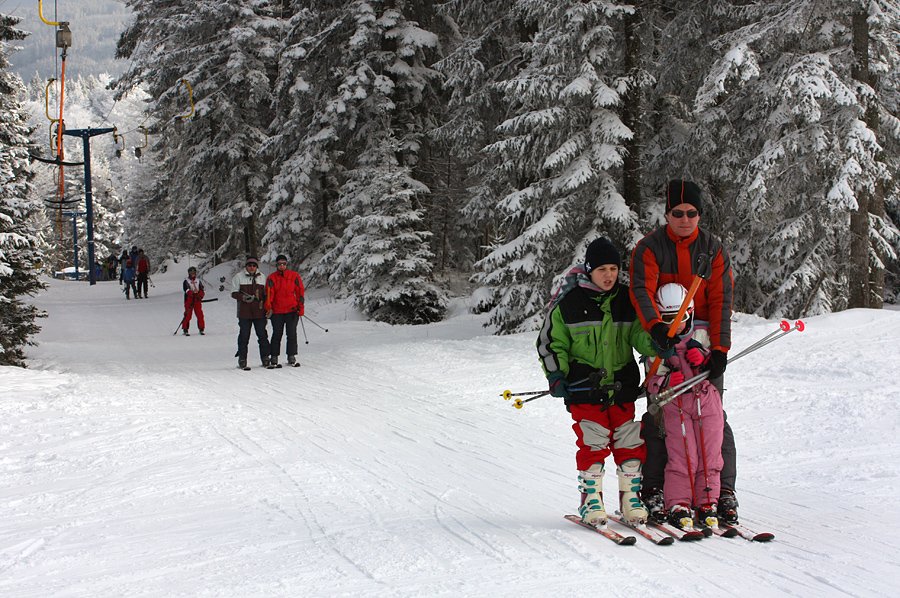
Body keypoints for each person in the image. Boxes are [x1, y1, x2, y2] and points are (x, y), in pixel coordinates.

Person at [629, 179, 737, 524]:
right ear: (667, 214)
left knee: (713, 418)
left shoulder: (713, 249)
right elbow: (641, 290)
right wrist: (655, 327)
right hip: (662, 337)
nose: (686, 219)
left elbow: (721, 300)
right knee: (662, 418)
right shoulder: (649, 248)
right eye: (678, 213)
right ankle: (656, 488)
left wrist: (719, 349)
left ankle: (722, 490)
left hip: (703, 343)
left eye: (692, 213)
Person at [537, 238, 658, 527]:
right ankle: (591, 499)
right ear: (589, 270)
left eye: (614, 268)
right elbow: (551, 344)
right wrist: (556, 376)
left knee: (629, 441)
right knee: (593, 443)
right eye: (602, 269)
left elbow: (639, 335)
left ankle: (630, 498)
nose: (609, 275)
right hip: (584, 389)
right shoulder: (569, 304)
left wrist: (656, 344)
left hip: (621, 387)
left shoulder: (627, 300)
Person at [645, 283, 724, 530]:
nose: (675, 324)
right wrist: (667, 380)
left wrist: (705, 357)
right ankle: (678, 503)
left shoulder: (702, 332)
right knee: (683, 456)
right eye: (668, 318)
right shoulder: (657, 342)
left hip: (706, 400)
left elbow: (717, 359)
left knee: (709, 454)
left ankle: (707, 501)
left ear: (690, 311)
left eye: (681, 317)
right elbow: (651, 380)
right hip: (676, 403)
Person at [264, 254, 305, 368]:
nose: (282, 266)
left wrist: (300, 307)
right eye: (279, 264)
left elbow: (300, 292)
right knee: (277, 334)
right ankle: (274, 356)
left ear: (286, 264)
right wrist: (269, 308)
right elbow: (269, 295)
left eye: (284, 264)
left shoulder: (294, 276)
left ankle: (291, 355)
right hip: (277, 311)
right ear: (276, 265)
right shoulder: (271, 278)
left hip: (292, 310)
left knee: (291, 333)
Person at [231, 256, 270, 370]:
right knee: (244, 336)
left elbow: (267, 294)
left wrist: (267, 307)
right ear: (246, 266)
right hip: (244, 312)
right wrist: (242, 297)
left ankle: (265, 357)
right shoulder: (238, 277)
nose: (251, 267)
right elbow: (233, 293)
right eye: (249, 265)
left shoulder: (263, 277)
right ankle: (242, 359)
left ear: (256, 267)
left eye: (254, 265)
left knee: (262, 335)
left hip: (259, 312)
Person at [181, 266, 206, 336]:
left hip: (197, 300)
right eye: (191, 272)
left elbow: (202, 289)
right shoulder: (186, 281)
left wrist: (200, 295)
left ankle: (201, 328)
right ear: (189, 273)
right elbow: (186, 289)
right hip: (189, 300)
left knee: (199, 314)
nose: (193, 273)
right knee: (188, 315)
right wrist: (191, 294)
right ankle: (185, 329)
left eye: (194, 272)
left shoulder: (198, 281)